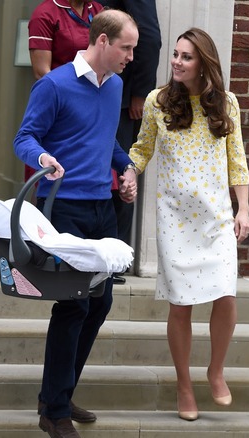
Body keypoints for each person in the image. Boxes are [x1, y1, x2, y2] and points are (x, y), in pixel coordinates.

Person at [13, 9, 138, 438]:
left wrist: (127, 168)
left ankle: (58, 395)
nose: (131, 57)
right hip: (63, 208)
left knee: (99, 304)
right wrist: (43, 158)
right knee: (74, 304)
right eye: (127, 47)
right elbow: (24, 138)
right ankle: (54, 409)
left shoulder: (116, 85)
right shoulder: (54, 84)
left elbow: (108, 140)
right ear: (102, 42)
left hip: (102, 207)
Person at [128, 27, 249, 422]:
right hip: (175, 219)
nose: (177, 62)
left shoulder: (226, 104)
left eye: (186, 56)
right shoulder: (157, 101)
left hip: (216, 218)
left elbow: (237, 161)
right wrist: (129, 173)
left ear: (204, 63)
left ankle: (215, 370)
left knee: (226, 296)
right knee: (181, 305)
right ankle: (184, 385)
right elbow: (142, 148)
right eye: (176, 55)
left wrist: (243, 209)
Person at [99, 0, 162, 284]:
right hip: (93, 84)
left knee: (120, 177)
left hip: (123, 98)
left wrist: (139, 93)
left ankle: (114, 261)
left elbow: (149, 37)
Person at [24, 0, 105, 183]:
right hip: (59, 107)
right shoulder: (45, 14)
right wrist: (73, 101)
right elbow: (41, 72)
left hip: (93, 106)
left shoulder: (97, 10)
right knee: (50, 177)